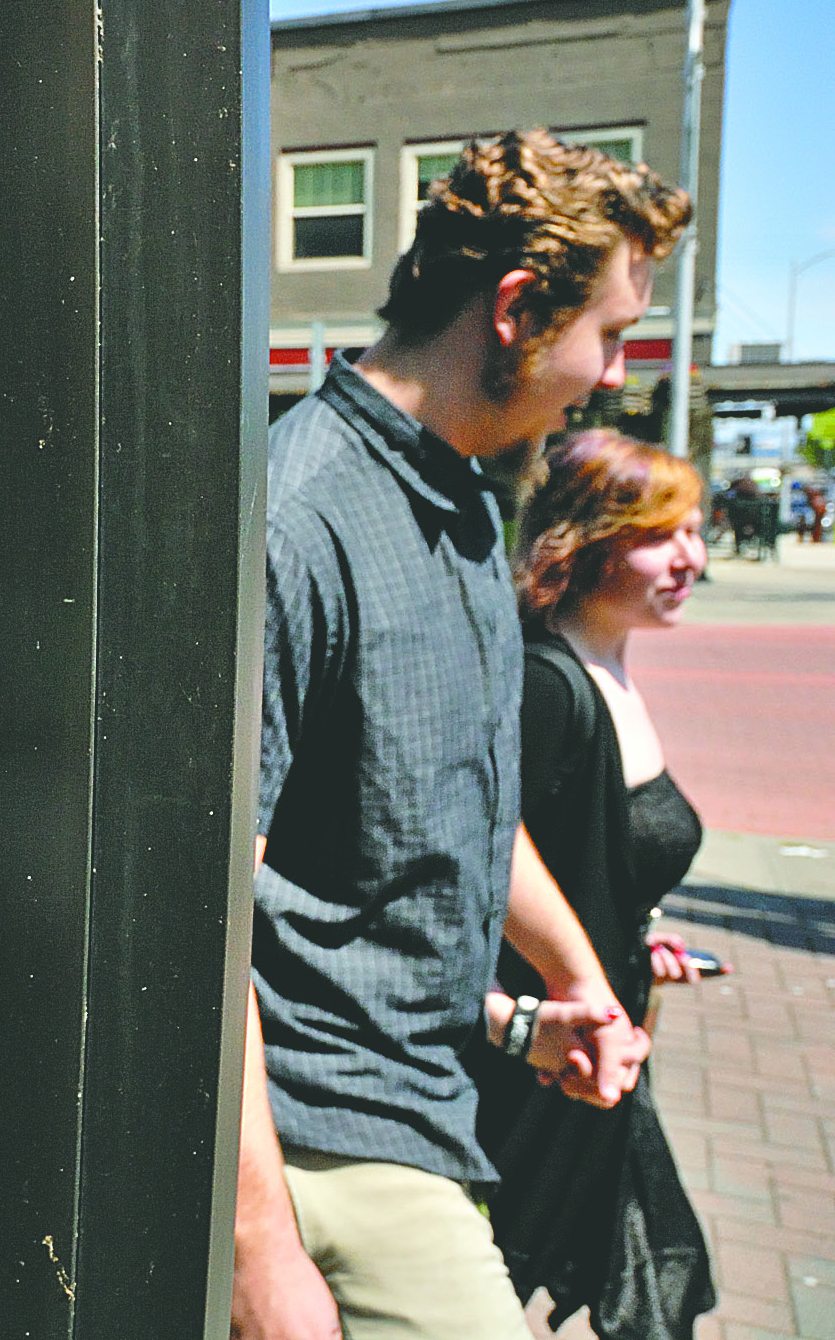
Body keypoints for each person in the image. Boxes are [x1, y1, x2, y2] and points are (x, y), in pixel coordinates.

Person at [235, 130, 691, 1340]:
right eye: (608, 334)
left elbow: (454, 813)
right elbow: (203, 910)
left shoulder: (466, 499)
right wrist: (257, 1245)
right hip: (323, 1134)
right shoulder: (300, 517)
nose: (609, 376)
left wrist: (567, 984)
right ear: (513, 310)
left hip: (434, 1097)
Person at [470, 429, 716, 1340]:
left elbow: (590, 857)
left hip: (603, 1050)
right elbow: (478, 860)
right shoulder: (551, 685)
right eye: (664, 534)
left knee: (653, 1288)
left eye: (697, 529)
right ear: (588, 541)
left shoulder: (613, 670)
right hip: (541, 1066)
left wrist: (637, 927)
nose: (693, 556)